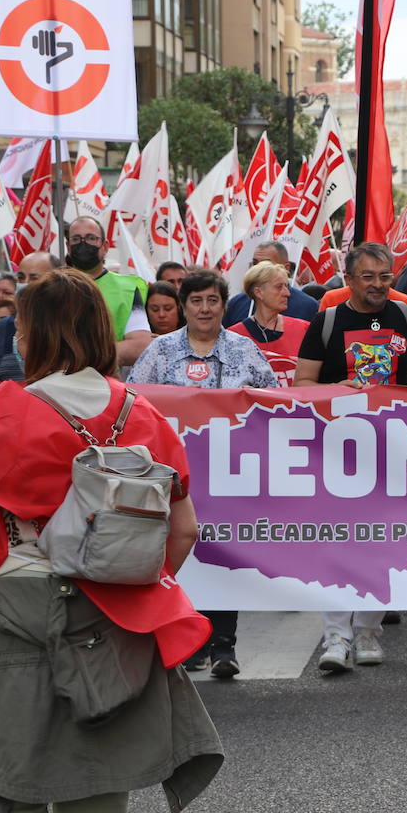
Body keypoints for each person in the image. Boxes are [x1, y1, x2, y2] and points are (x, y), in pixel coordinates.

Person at [0, 269, 222, 813]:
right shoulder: (145, 415)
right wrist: (135, 580)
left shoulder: (1, 412)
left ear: (32, 336)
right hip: (114, 617)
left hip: (15, 605)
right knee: (95, 785)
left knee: (10, 790)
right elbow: (184, 528)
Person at [129, 270, 278, 678]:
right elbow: (131, 403)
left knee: (222, 555)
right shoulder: (159, 352)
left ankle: (223, 647)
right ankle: (190, 641)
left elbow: (274, 403)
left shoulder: (245, 351)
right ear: (184, 306)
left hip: (231, 474)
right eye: (196, 301)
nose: (205, 309)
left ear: (223, 305)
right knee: (182, 553)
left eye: (212, 300)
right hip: (173, 478)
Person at [295, 242, 407, 672]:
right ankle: (336, 637)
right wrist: (339, 390)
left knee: (380, 543)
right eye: (367, 276)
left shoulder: (405, 315)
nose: (377, 284)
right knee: (337, 544)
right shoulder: (327, 321)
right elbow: (302, 383)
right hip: (339, 450)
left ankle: (368, 631)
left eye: (385, 276)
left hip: (392, 446)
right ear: (348, 279)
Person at [64, 216, 153, 366]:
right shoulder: (52, 287)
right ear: (68, 246)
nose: (83, 243)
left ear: (105, 246)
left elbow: (139, 346)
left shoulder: (128, 288)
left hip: (107, 382)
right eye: (76, 239)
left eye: (91, 238)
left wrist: (80, 359)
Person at [228, 260, 310, 387]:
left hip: (296, 406)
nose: (287, 293)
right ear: (259, 292)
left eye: (286, 286)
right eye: (279, 287)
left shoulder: (304, 329)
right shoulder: (233, 337)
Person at [0, 252, 60, 383]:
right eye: (21, 278)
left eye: (34, 278)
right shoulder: (0, 329)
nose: (25, 284)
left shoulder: (69, 327)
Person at [221, 241, 318, 326]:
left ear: (286, 268)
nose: (257, 268)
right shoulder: (236, 304)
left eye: (265, 264)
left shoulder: (308, 306)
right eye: (255, 263)